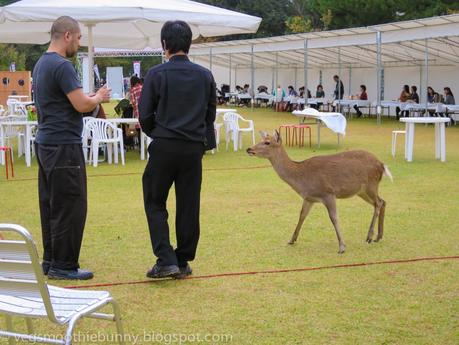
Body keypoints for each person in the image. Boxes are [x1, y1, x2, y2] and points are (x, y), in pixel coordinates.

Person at [33, 16, 111, 280]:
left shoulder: (41, 64)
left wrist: (90, 99)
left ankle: (51, 260)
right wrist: (98, 97)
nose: (79, 43)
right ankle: (64, 265)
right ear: (67, 35)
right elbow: (80, 105)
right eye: (78, 38)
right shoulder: (62, 66)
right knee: (70, 205)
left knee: (51, 204)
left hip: (45, 143)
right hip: (64, 145)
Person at [139, 20, 216, 279]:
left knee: (154, 200)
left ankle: (165, 259)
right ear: (189, 43)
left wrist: (156, 133)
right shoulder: (205, 75)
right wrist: (202, 143)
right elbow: (210, 115)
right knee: (188, 204)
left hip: (164, 145)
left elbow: (145, 114)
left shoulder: (157, 74)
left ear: (164, 45)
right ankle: (182, 259)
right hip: (193, 148)